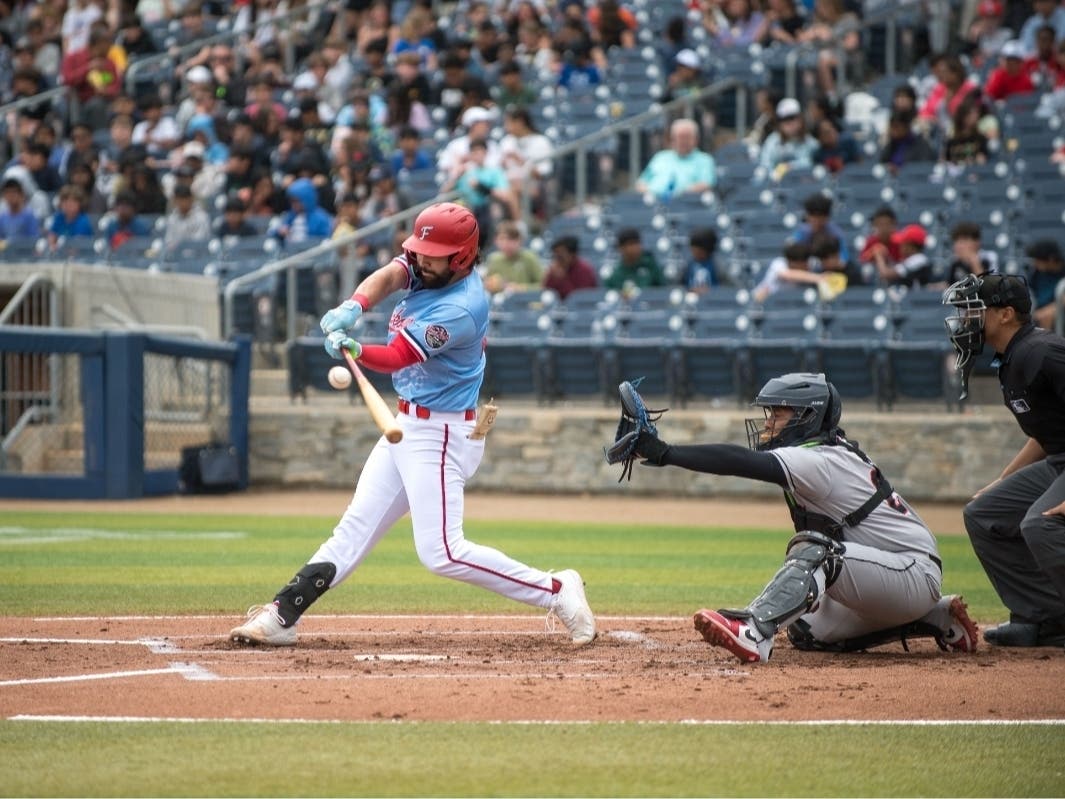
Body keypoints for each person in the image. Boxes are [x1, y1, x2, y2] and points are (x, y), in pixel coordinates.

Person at [230, 202, 597, 648]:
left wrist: (356, 349)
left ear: (461, 257)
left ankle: (557, 590)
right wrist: (354, 304)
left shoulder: (461, 307)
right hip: (408, 424)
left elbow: (398, 356)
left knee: (442, 552)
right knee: (353, 530)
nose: (422, 258)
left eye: (433, 252)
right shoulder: (429, 268)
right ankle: (282, 613)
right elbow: (389, 274)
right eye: (420, 249)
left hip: (442, 435)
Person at [610, 372, 979, 662]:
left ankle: (753, 631)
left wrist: (665, 452)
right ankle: (933, 617)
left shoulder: (819, 459)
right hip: (894, 579)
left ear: (807, 417)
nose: (768, 423)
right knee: (804, 627)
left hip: (911, 572)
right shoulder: (822, 453)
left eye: (778, 413)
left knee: (816, 549)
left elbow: (737, 461)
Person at [942, 273, 1065, 647]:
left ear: (1006, 314)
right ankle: (1044, 619)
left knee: (1040, 525)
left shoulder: (1042, 352)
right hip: (1058, 460)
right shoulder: (1012, 358)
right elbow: (1045, 434)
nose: (965, 320)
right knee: (983, 513)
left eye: (975, 310)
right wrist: (1002, 479)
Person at [634, 118, 717, 202]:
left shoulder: (704, 159)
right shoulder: (660, 156)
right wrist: (649, 194)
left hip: (686, 204)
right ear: (672, 139)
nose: (683, 141)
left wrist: (678, 197)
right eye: (679, 137)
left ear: (696, 139)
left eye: (687, 137)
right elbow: (641, 182)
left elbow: (706, 184)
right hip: (652, 203)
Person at [758, 97, 818, 181]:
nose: (789, 123)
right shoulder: (772, 141)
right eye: (784, 119)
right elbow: (765, 165)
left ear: (800, 118)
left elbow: (813, 165)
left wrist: (788, 167)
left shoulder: (811, 143)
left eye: (792, 118)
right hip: (776, 186)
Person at [483, 220, 544, 294]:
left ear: (519, 240)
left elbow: (544, 285)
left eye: (511, 239)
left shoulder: (529, 258)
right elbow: (485, 286)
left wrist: (521, 288)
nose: (506, 243)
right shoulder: (493, 260)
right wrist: (491, 285)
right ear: (496, 241)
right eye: (502, 239)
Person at [543, 234, 599, 299]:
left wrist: (562, 279)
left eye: (560, 257)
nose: (557, 260)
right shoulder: (555, 270)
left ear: (573, 255)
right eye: (555, 256)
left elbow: (580, 299)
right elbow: (546, 293)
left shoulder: (584, 270)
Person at [1025, 239, 1065, 330]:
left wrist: (1054, 308)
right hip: (1037, 311)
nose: (1035, 264)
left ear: (1051, 259)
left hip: (1058, 310)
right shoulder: (1036, 274)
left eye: (1038, 261)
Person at [684, 227, 719, 294]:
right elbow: (680, 285)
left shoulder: (716, 266)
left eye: (698, 251)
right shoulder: (689, 265)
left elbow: (727, 287)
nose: (694, 253)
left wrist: (710, 291)